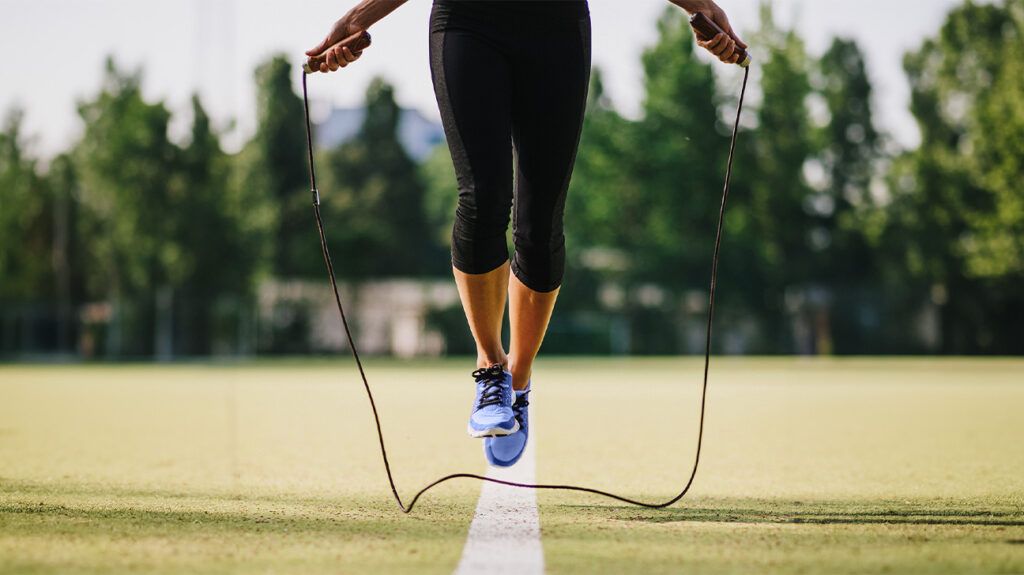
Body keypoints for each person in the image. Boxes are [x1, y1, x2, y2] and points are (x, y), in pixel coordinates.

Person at [307, 0, 746, 467]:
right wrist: (358, 20)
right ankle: (491, 368)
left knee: (539, 224)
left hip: (556, 30)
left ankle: (517, 379)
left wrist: (701, 6)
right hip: (466, 21)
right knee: (482, 198)